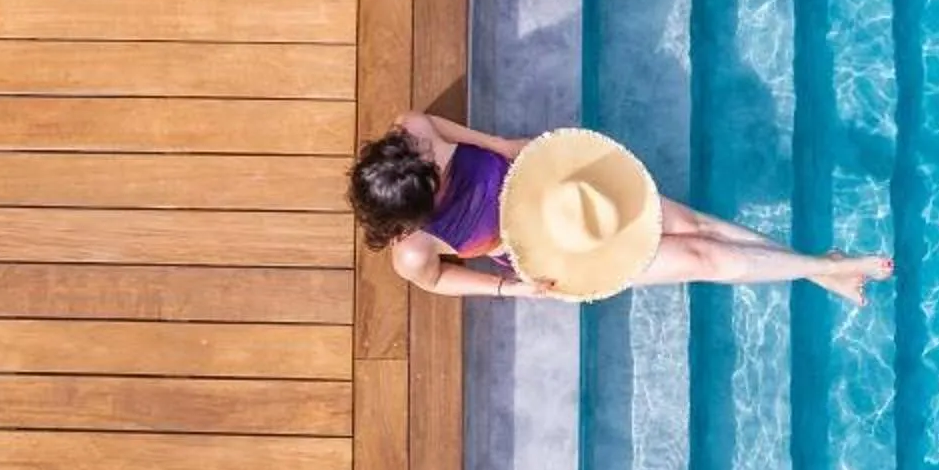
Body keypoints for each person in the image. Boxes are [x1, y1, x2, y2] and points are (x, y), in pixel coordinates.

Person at [347, 111, 891, 305]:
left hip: (569, 195)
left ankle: (824, 269)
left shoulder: (416, 132)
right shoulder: (414, 254)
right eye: (437, 188)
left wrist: (531, 149)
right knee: (701, 259)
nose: (443, 174)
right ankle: (828, 267)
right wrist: (513, 289)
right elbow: (442, 282)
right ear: (413, 219)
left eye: (436, 170)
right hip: (561, 254)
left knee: (698, 225)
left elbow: (492, 145)